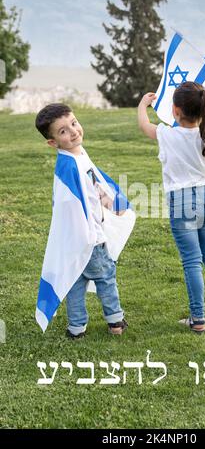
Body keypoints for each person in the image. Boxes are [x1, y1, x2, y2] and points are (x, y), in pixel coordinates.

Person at [137, 75, 205, 334]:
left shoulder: (166, 134)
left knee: (191, 262)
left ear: (175, 111)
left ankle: (197, 319)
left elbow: (145, 126)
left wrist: (143, 105)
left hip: (182, 201)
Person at [35, 103, 133, 338]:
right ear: (53, 142)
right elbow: (71, 204)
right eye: (63, 131)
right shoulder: (68, 165)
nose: (73, 131)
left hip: (74, 242)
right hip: (91, 240)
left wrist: (109, 199)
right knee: (105, 280)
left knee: (75, 285)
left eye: (74, 123)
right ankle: (115, 320)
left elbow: (93, 184)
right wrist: (91, 235)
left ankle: (76, 328)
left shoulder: (77, 155)